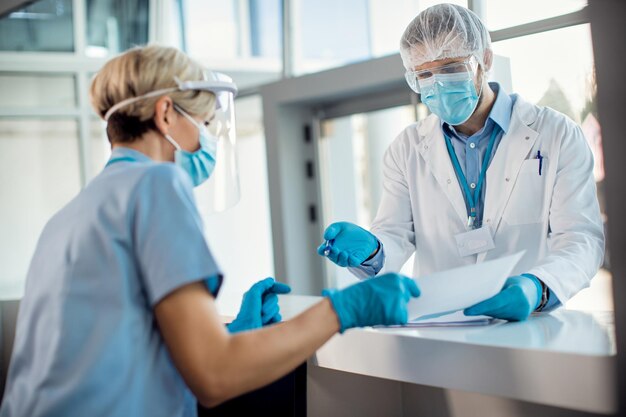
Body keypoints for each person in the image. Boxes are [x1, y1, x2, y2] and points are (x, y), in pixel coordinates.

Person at [0, 45, 421, 417]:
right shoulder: (157, 185)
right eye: (202, 122)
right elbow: (215, 377)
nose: (207, 138)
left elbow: (109, 350)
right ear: (165, 113)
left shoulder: (72, 215)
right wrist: (342, 310)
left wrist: (231, 335)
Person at [318, 4, 604, 321]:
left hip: (529, 327)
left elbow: (581, 239)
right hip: (439, 327)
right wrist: (373, 250)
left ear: (485, 60)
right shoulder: (407, 148)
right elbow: (394, 236)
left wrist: (538, 287)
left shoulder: (556, 134)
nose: (437, 84)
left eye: (451, 68)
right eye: (424, 74)